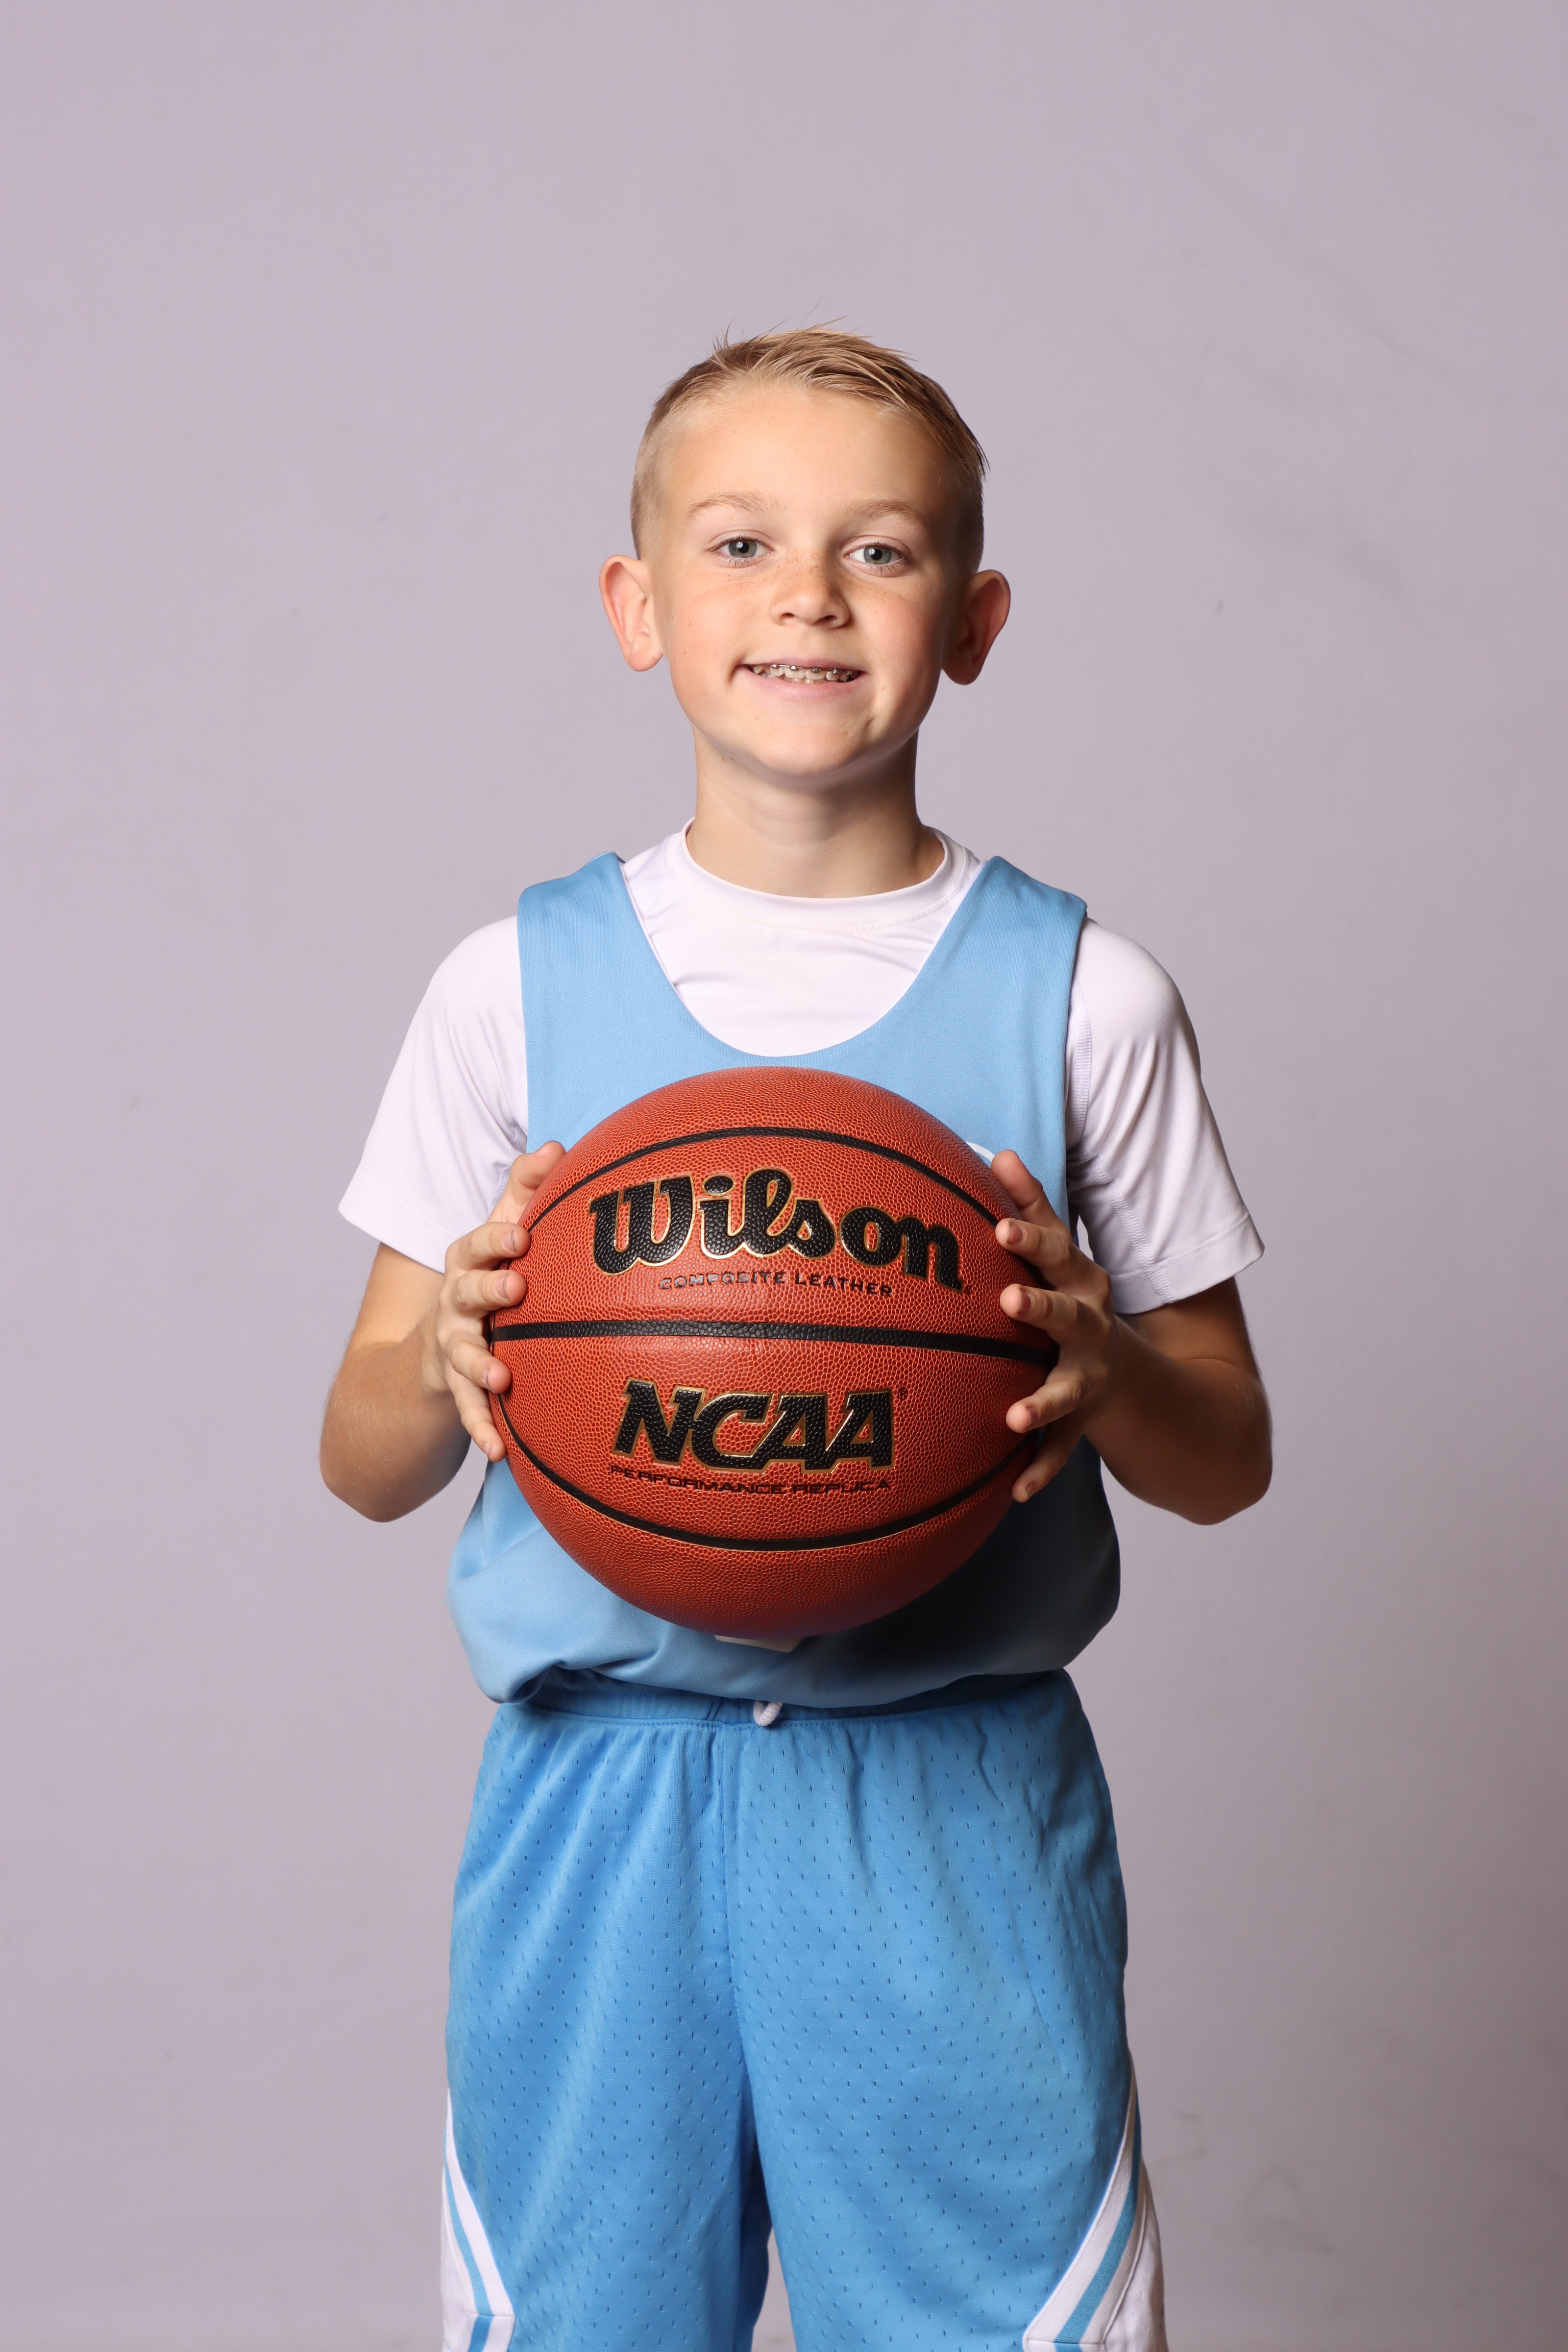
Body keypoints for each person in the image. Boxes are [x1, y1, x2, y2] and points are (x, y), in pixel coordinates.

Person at [321, 329, 1270, 2352]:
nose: (809, 597)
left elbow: (1227, 1451)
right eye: (741, 542)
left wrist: (1105, 1373)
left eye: (882, 551)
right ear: (635, 605)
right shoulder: (508, 987)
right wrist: (448, 1360)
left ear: (974, 621)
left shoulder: (1086, 996)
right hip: (600, 1799)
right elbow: (361, 1455)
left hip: (945, 1798)